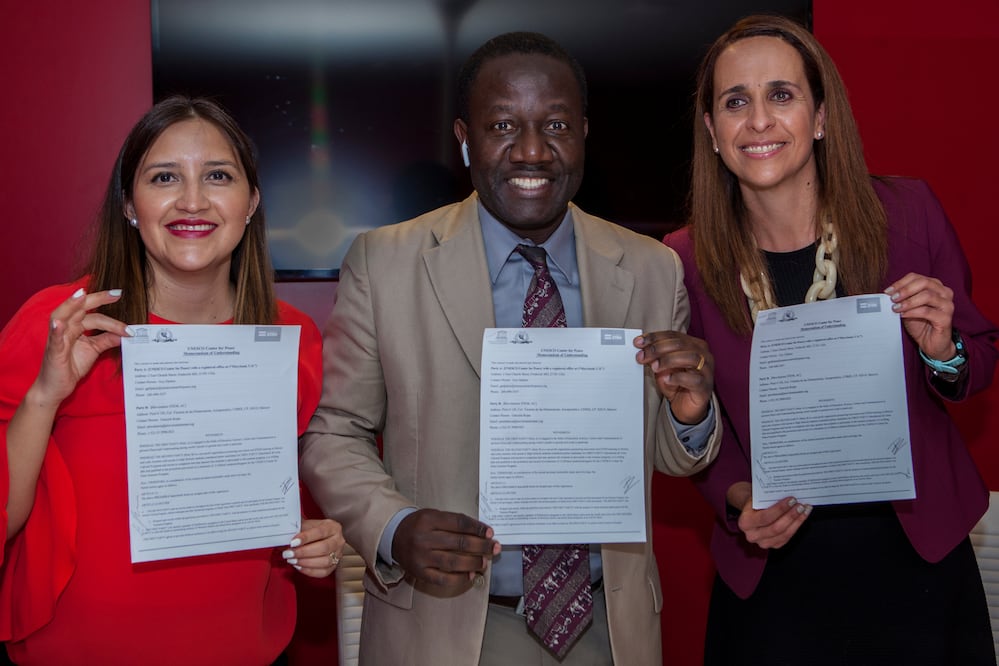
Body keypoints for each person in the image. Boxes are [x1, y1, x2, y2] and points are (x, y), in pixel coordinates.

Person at [300, 31, 721, 665]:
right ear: (465, 138)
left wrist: (690, 417)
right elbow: (335, 433)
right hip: (447, 628)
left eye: (555, 124)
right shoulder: (386, 263)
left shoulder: (650, 268)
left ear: (583, 132)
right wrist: (394, 526)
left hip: (608, 628)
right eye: (503, 125)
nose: (532, 151)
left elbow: (665, 457)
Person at [660, 14, 999, 664]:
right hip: (771, 575)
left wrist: (941, 348)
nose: (758, 120)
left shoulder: (907, 214)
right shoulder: (682, 260)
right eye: (735, 101)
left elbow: (976, 359)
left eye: (780, 95)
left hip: (915, 563)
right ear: (712, 131)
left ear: (818, 117)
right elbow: (694, 423)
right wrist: (736, 498)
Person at [0, 95, 346, 665]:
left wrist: (318, 539)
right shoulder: (57, 322)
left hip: (241, 649)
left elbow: (276, 501)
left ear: (251, 202)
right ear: (131, 205)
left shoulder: (294, 337)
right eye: (164, 177)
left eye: (217, 176)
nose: (192, 200)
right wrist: (45, 395)